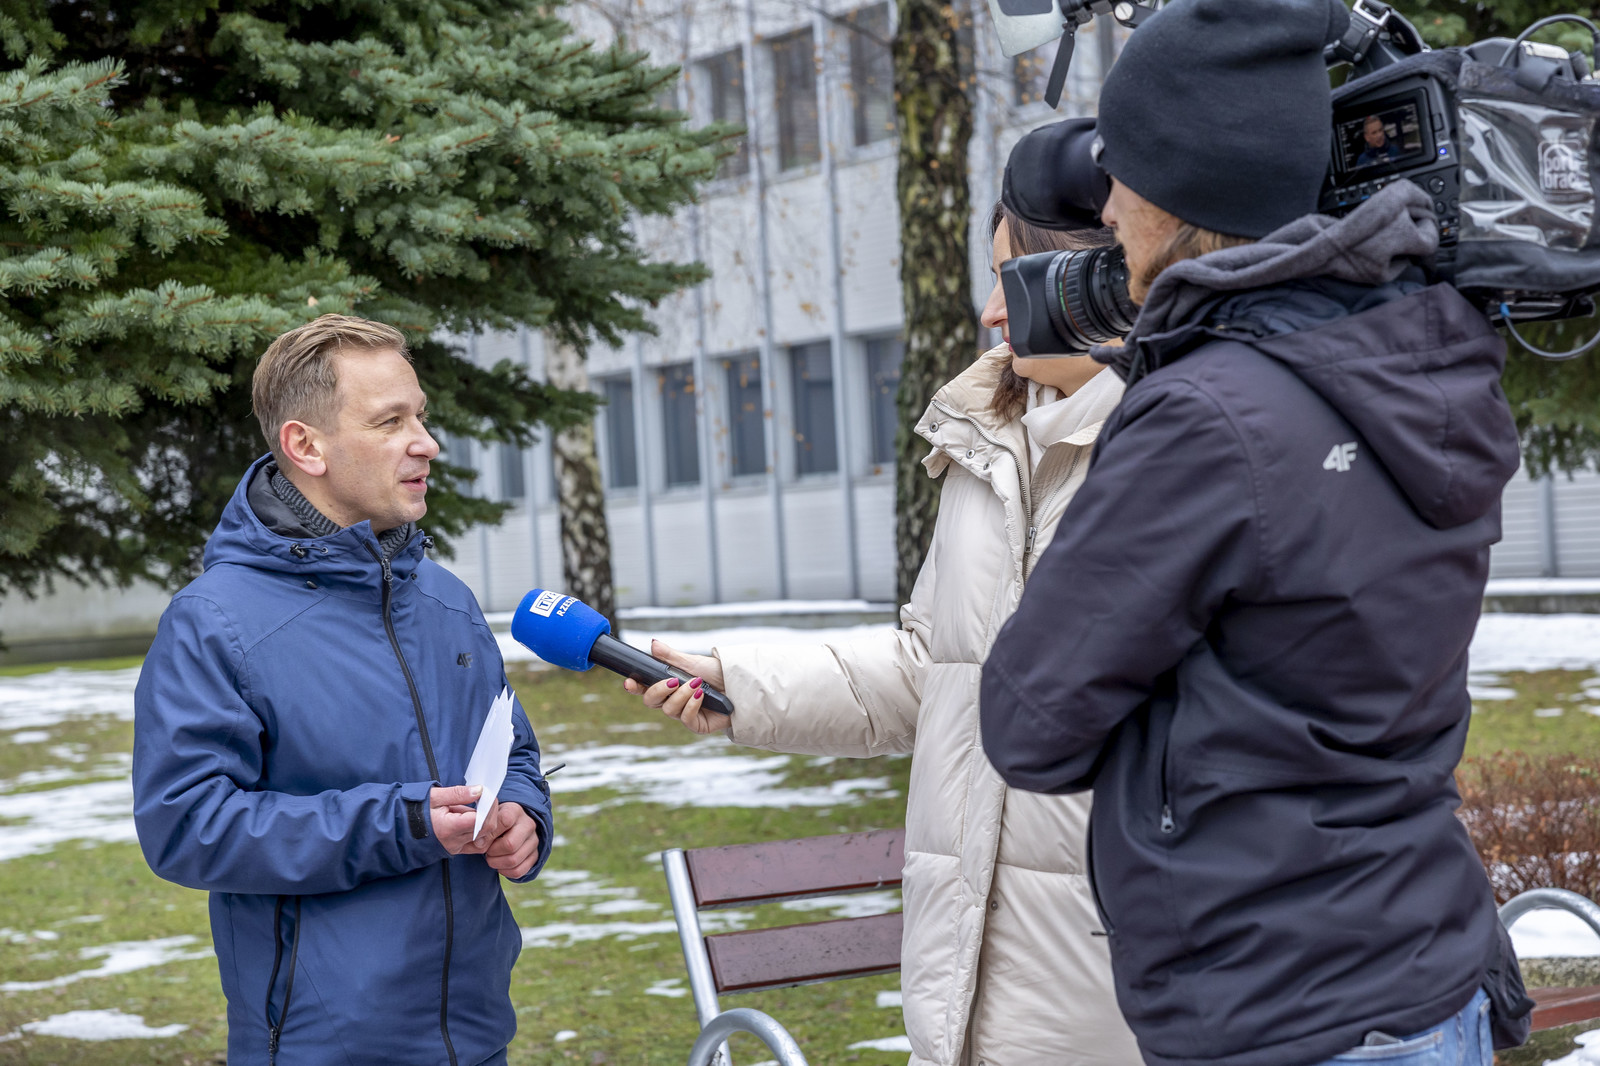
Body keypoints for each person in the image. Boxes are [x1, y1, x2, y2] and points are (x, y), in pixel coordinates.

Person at [978, 3, 1531, 1066]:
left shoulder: (1205, 417)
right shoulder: (1420, 363)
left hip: (1283, 1001)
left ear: (1174, 190)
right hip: (1424, 974)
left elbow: (1029, 722)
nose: (1105, 204)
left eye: (1120, 172)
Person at [624, 206, 1141, 1066]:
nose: (990, 310)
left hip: (1111, 993)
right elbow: (933, 669)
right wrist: (735, 683)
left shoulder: (1174, 447)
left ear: (1092, 275)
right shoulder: (987, 440)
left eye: (1009, 278)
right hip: (964, 986)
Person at [133, 314, 553, 1066]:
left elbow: (512, 750)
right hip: (321, 1045)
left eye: (420, 415)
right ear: (306, 446)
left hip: (478, 1034)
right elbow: (187, 827)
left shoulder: (447, 600)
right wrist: (404, 823)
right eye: (390, 422)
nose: (426, 443)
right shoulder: (215, 621)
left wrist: (524, 814)